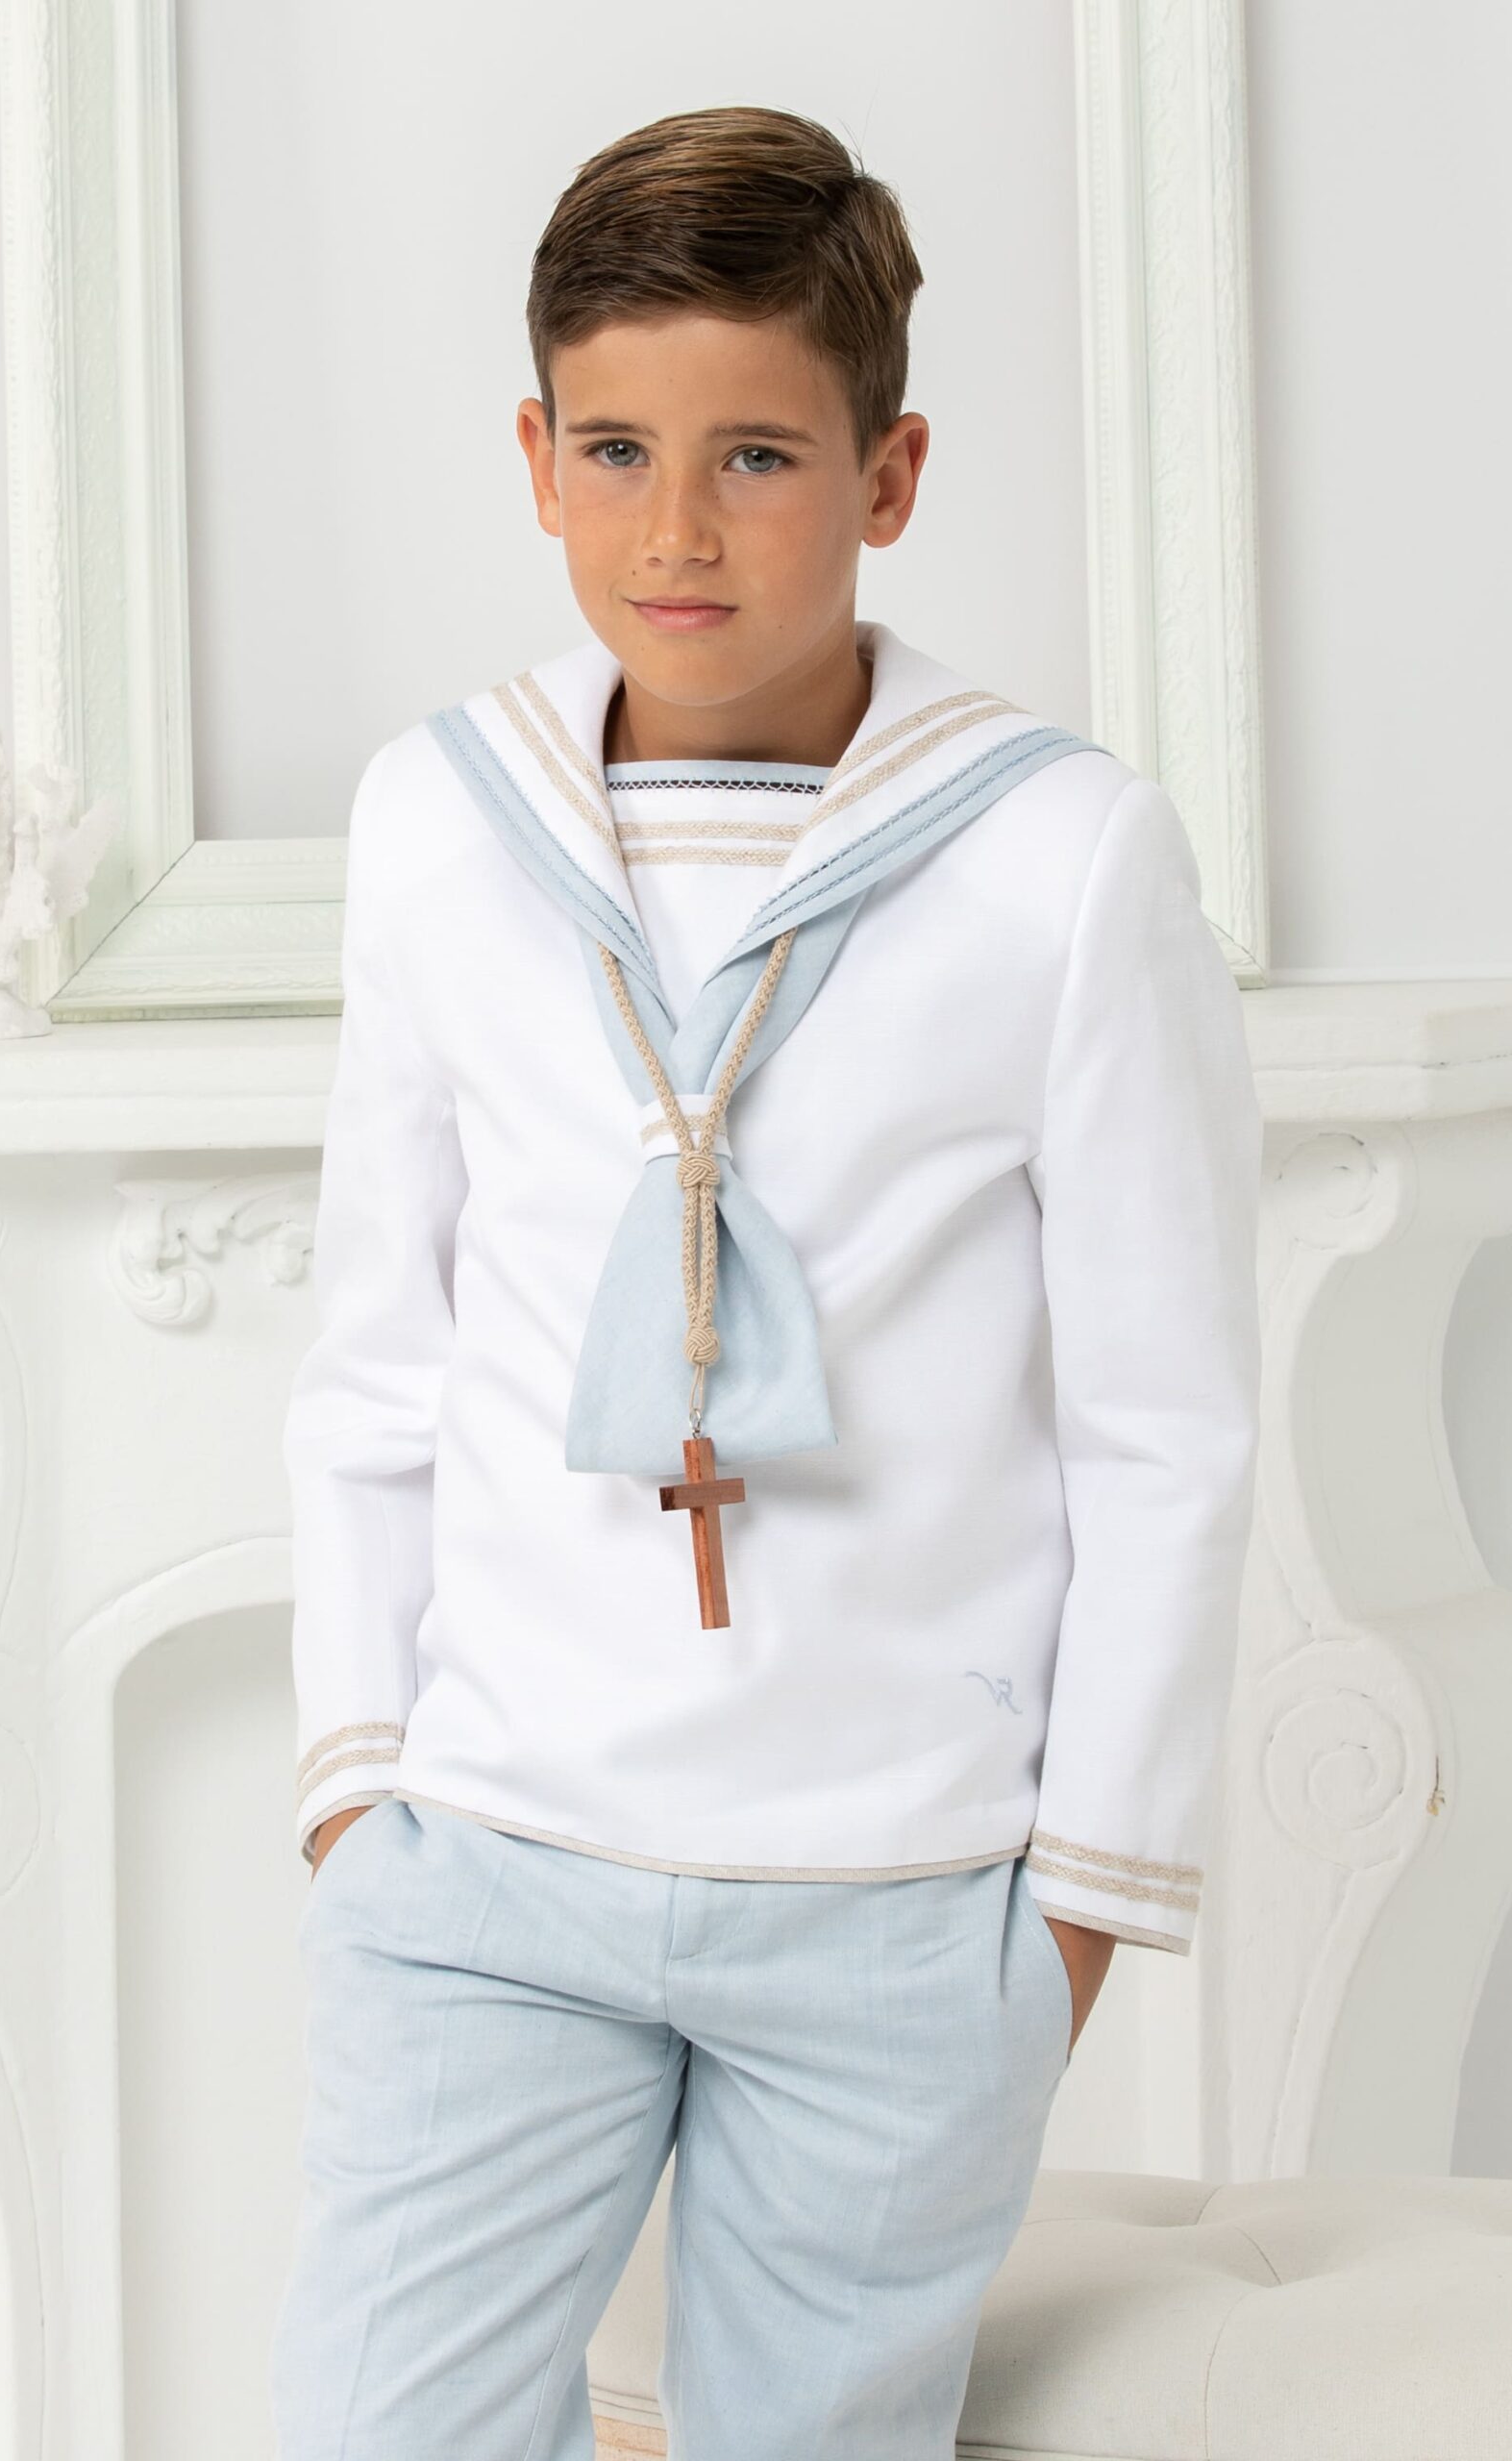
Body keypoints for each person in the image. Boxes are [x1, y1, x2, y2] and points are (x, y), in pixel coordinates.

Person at [271, 102, 1262, 2461]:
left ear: (889, 475)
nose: (677, 531)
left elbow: (1162, 1419)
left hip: (896, 1894)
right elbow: (379, 1348)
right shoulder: (438, 822)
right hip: (489, 1866)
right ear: (534, 459)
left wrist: (1067, 1917)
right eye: (616, 451)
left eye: (758, 458)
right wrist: (357, 1787)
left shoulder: (1060, 855)